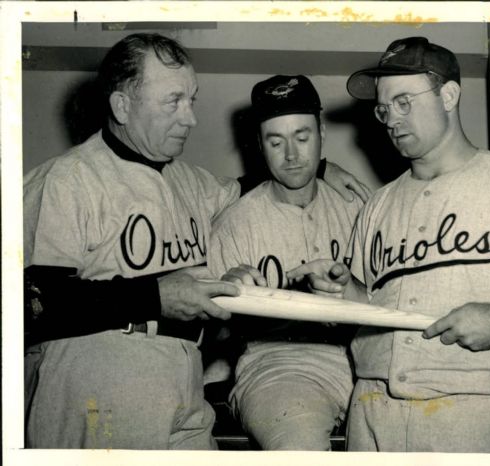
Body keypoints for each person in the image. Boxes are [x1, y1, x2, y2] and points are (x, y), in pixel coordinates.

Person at [23, 33, 369, 449]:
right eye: (173, 102)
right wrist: (155, 296)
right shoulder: (66, 179)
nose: (190, 118)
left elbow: (266, 176)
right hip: (99, 378)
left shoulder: (190, 181)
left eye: (192, 100)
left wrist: (323, 166)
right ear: (121, 105)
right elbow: (31, 303)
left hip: (182, 383)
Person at [288, 36, 490, 453]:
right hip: (371, 416)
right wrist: (344, 292)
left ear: (449, 95)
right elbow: (378, 309)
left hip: (475, 418)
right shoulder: (377, 205)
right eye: (383, 109)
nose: (390, 120)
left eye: (404, 102)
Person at [209, 75, 363, 450]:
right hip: (278, 364)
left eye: (303, 137)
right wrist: (229, 298)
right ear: (259, 146)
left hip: (362, 362)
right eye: (276, 142)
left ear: (322, 133)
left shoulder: (355, 207)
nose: (291, 155)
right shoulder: (235, 222)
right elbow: (212, 334)